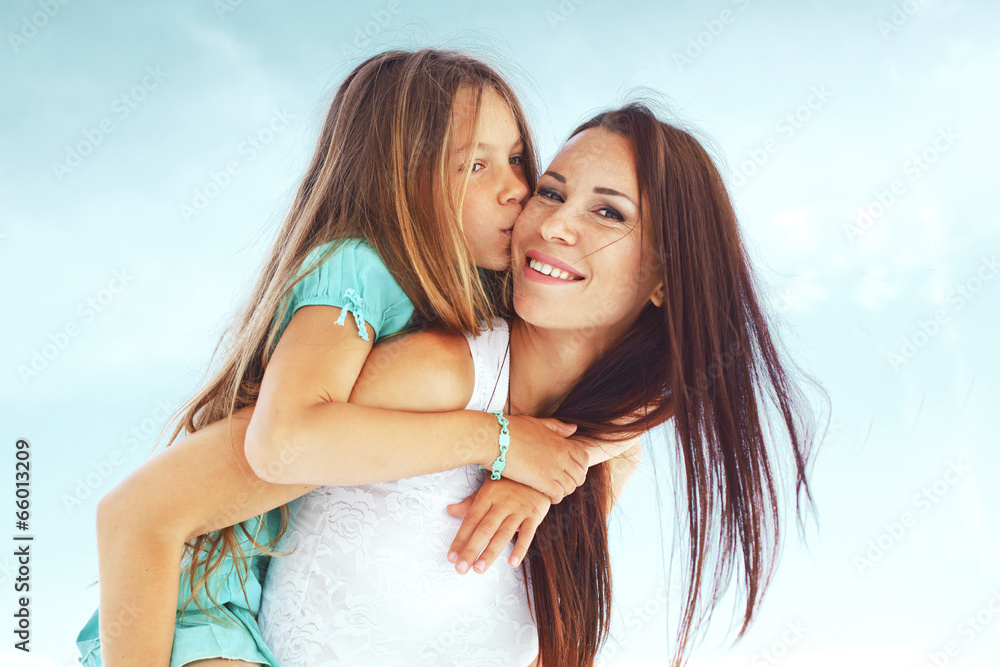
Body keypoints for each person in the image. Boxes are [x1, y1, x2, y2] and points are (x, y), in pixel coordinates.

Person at [81, 98, 818, 667]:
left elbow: (695, 375)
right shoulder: (437, 373)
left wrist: (550, 467)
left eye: (607, 211)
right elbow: (144, 514)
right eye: (552, 191)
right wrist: (501, 443)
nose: (555, 223)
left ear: (664, 274)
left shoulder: (596, 448)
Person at [75, 48, 598, 667]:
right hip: (209, 601)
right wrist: (499, 441)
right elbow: (287, 439)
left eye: (515, 159)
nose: (516, 189)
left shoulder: (481, 305)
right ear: (397, 181)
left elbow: (658, 388)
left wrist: (551, 478)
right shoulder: (358, 265)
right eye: (474, 166)